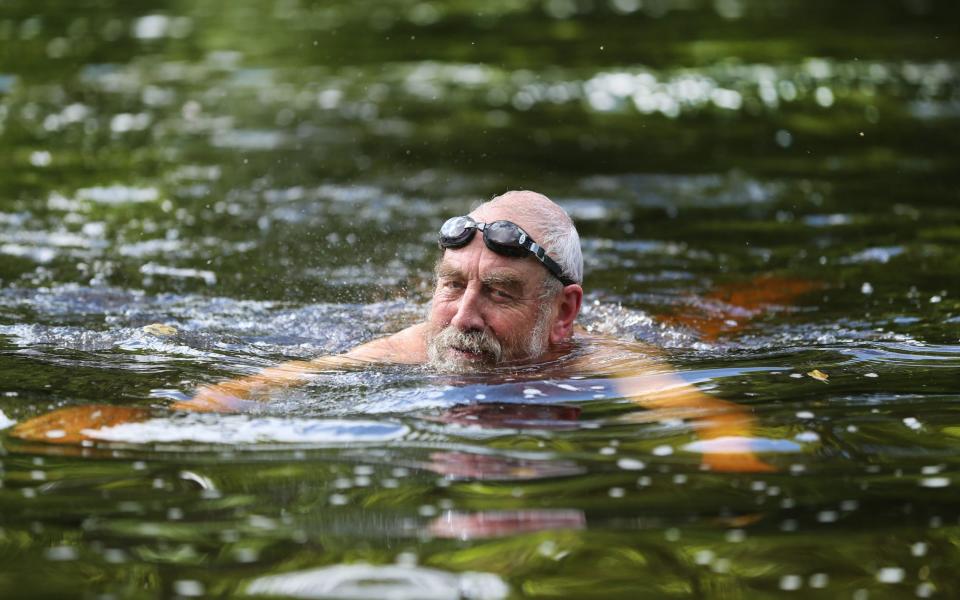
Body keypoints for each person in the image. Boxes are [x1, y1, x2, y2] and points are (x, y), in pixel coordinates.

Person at [13, 190, 781, 472]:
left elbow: (692, 408)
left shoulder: (603, 348)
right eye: (452, 287)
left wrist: (728, 445)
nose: (464, 316)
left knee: (720, 316)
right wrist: (141, 425)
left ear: (564, 313)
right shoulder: (415, 343)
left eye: (499, 294)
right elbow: (265, 388)